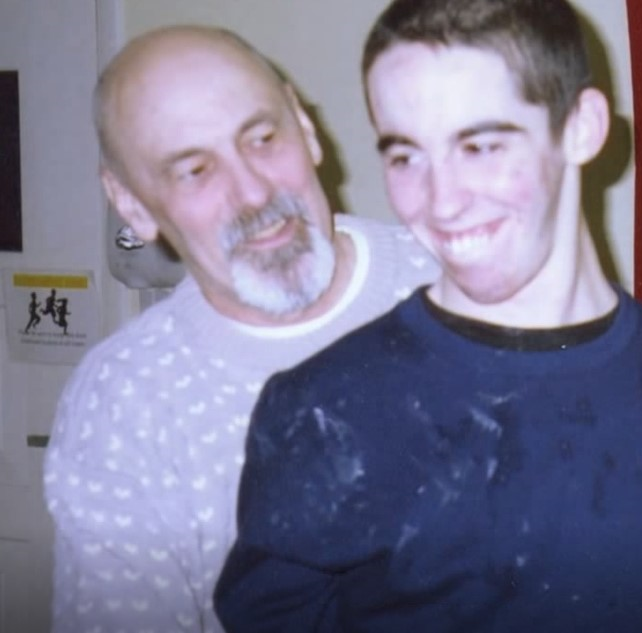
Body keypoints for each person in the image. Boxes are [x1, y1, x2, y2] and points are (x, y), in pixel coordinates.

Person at [214, 1, 642, 631]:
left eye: (480, 146)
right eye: (405, 155)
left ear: (582, 128)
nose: (440, 200)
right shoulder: (323, 411)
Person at [42, 26, 439, 633]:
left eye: (262, 138)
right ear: (132, 205)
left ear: (304, 127)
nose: (253, 192)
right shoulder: (125, 405)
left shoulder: (463, 284)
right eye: (195, 170)